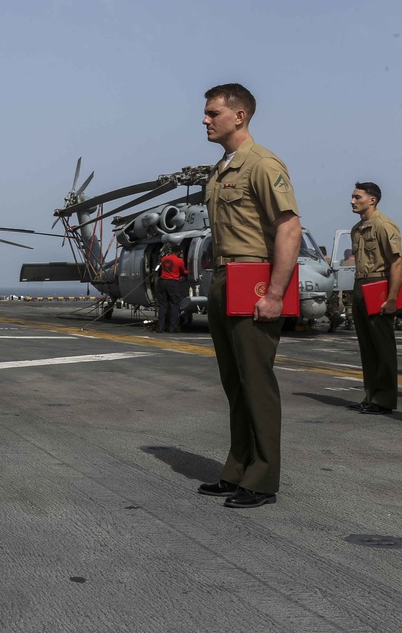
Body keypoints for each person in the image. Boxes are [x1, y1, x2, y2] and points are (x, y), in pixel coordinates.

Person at [194, 83, 301, 509]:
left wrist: (275, 293)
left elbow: (289, 228)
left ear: (239, 116)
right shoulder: (221, 169)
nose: (205, 120)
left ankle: (262, 479)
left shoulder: (262, 163)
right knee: (234, 382)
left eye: (212, 113)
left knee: (256, 382)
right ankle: (237, 469)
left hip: (254, 281)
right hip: (225, 279)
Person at [346, 182, 402, 415]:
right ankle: (371, 396)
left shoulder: (383, 225)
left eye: (357, 197)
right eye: (352, 196)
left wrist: (391, 299)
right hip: (360, 284)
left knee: (383, 346)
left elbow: (396, 263)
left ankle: (385, 399)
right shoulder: (357, 229)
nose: (352, 200)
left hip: (378, 285)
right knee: (367, 346)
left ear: (372, 200)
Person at [155, 245, 186, 333]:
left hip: (162, 282)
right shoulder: (179, 261)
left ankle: (160, 327)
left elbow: (160, 270)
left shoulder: (164, 259)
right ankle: (172, 327)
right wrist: (189, 271)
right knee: (174, 304)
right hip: (172, 283)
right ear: (178, 252)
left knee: (163, 305)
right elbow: (183, 272)